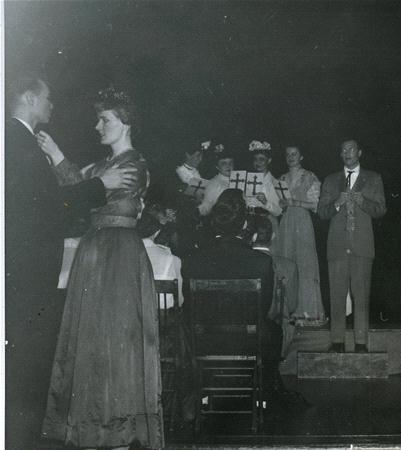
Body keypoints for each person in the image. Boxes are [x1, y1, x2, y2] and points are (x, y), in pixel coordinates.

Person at [4, 74, 136, 450]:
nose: (52, 105)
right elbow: (51, 203)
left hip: (112, 259)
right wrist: (95, 182)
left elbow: (64, 190)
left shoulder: (21, 141)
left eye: (104, 120)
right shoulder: (18, 141)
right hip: (33, 265)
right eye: (47, 98)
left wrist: (60, 157)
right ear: (29, 98)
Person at [38, 87, 164, 449]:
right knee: (92, 343)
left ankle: (119, 435)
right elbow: (78, 188)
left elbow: (90, 191)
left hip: (118, 254)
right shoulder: (103, 165)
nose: (97, 126)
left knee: (116, 343)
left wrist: (65, 163)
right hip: (95, 252)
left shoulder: (133, 164)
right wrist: (56, 156)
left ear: (125, 122)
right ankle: (96, 431)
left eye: (104, 119)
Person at [182, 189, 284, 394]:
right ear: (245, 224)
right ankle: (263, 391)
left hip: (205, 343)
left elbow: (189, 306)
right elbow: (264, 309)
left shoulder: (193, 261)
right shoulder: (261, 262)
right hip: (247, 343)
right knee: (275, 330)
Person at [318, 139, 386, 353]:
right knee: (336, 296)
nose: (346, 152)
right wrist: (337, 202)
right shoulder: (330, 180)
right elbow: (321, 212)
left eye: (351, 149)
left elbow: (381, 209)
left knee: (362, 296)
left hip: (362, 247)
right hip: (337, 246)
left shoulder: (373, 178)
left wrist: (362, 201)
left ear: (360, 152)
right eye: (343, 150)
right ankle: (337, 341)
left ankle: (361, 343)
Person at [276, 145, 326, 326]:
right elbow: (277, 205)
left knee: (305, 264)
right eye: (287, 154)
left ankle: (308, 313)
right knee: (286, 263)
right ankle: (287, 312)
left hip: (302, 222)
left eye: (294, 154)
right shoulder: (281, 179)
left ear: (301, 156)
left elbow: (316, 205)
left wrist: (294, 202)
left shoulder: (309, 176)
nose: (291, 157)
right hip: (286, 223)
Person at [251, 215, 299, 357]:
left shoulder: (240, 264)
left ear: (252, 236)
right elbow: (292, 306)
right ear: (272, 236)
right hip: (275, 335)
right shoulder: (288, 266)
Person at [197, 145, 233, 216]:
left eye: (230, 163)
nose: (228, 166)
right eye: (223, 163)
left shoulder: (240, 180)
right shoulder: (213, 184)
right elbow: (205, 208)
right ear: (217, 167)